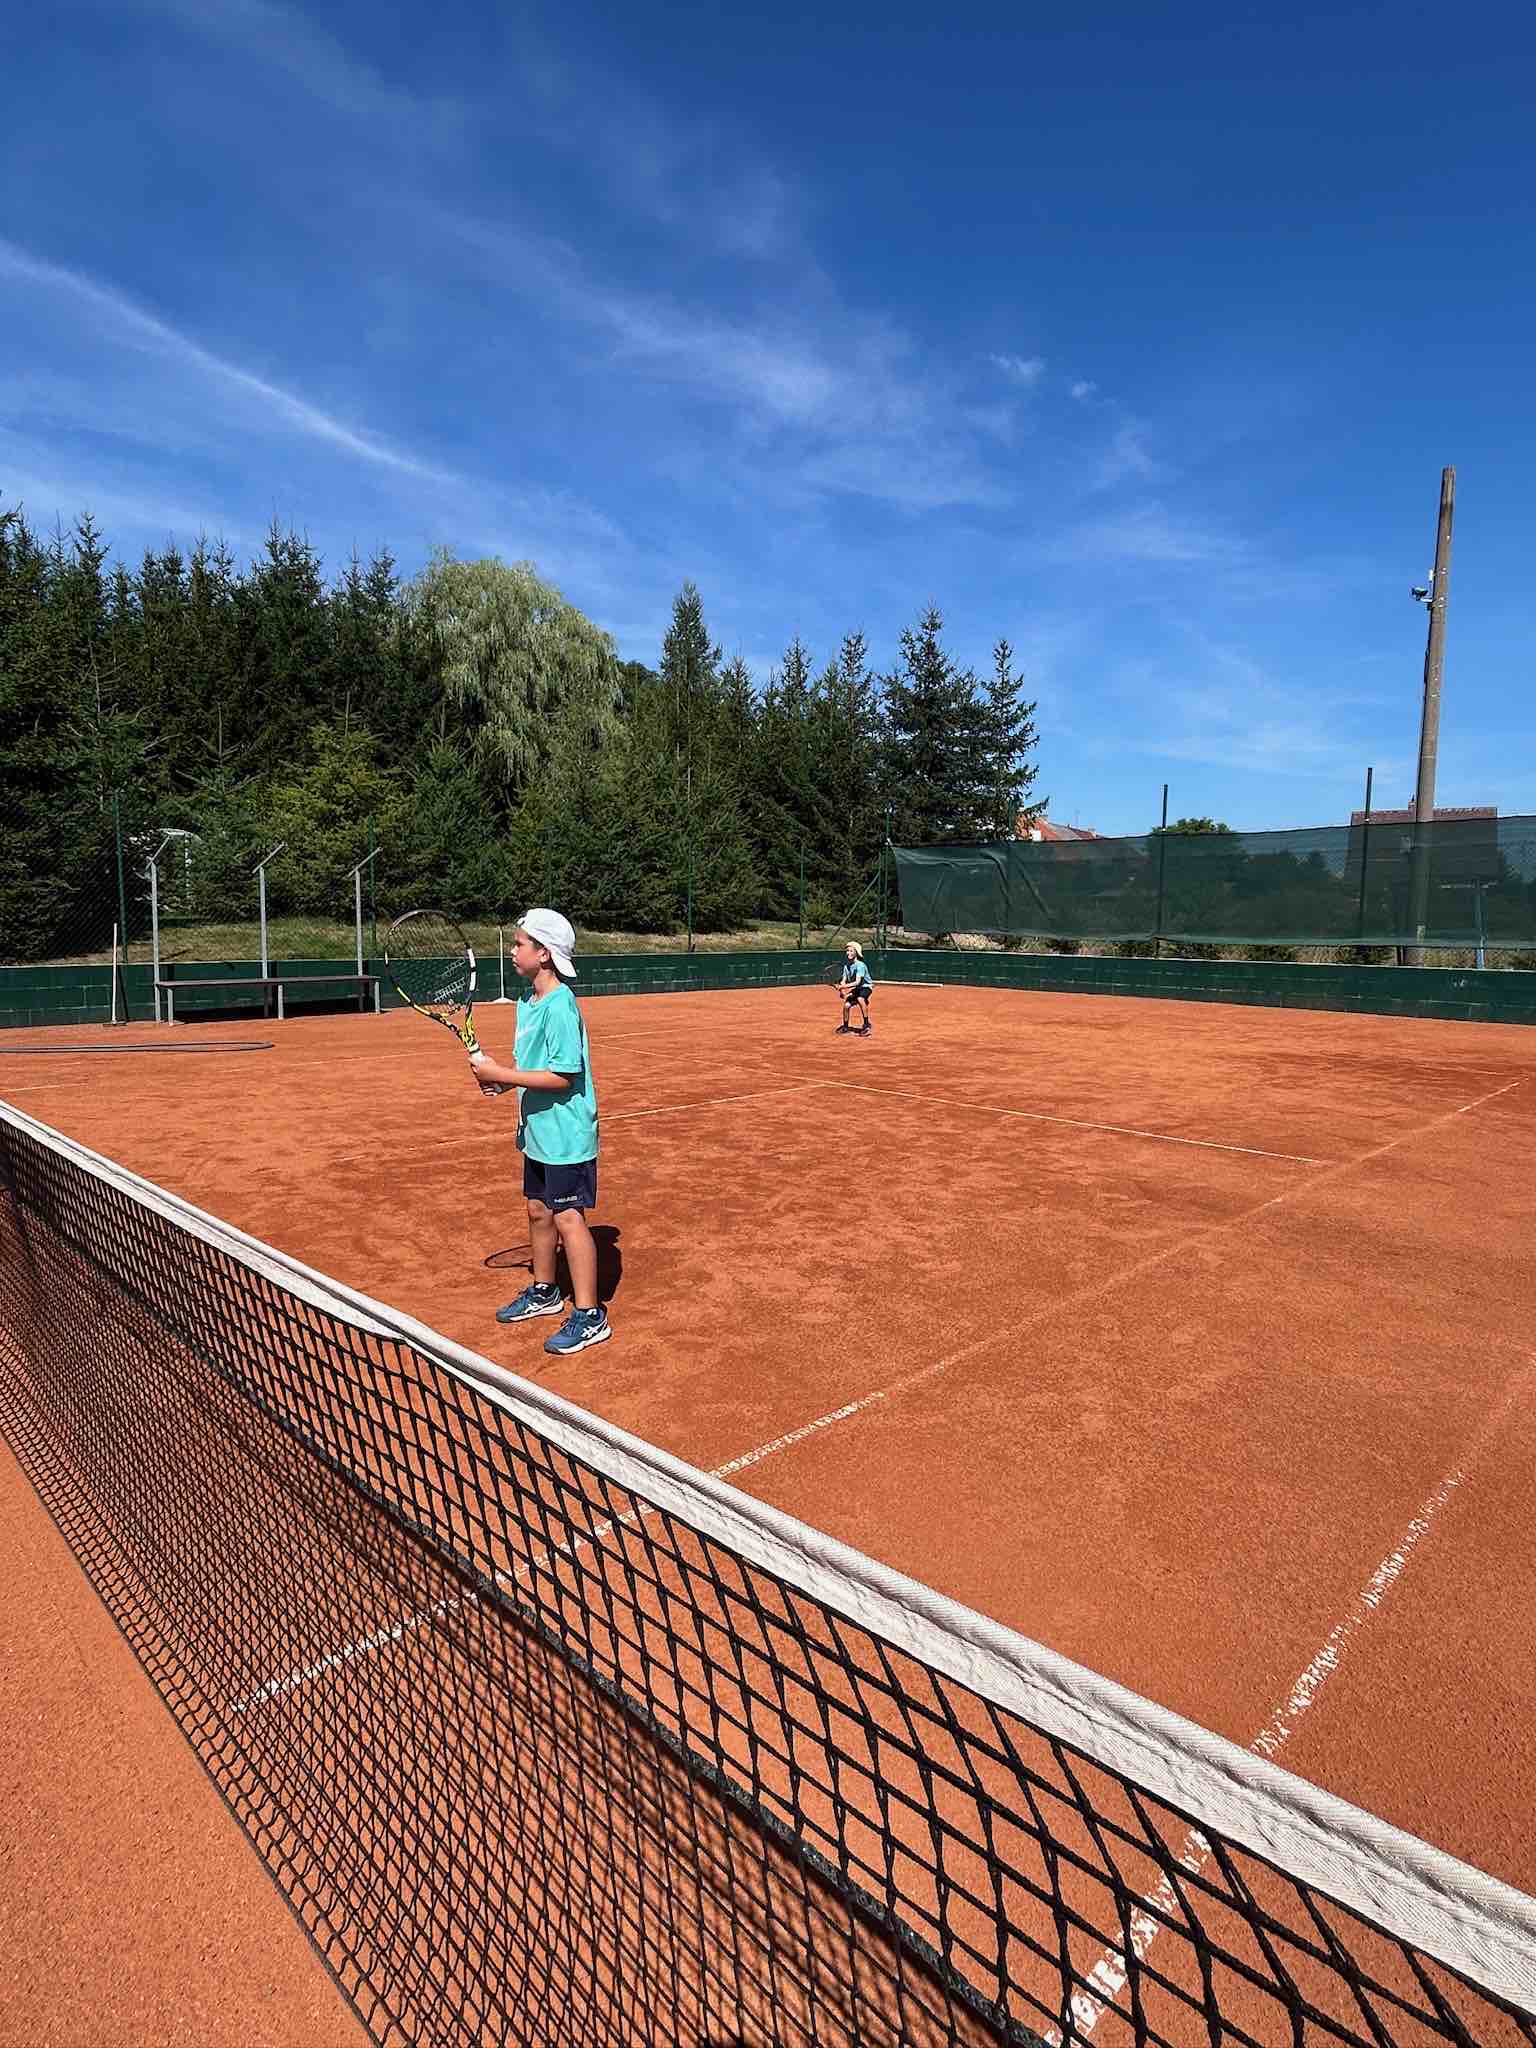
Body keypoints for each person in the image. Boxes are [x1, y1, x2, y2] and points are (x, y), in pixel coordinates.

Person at [469, 908, 610, 1356]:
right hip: (538, 1131)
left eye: (520, 944)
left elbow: (563, 1076)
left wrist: (503, 1075)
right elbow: (532, 1068)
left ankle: (589, 1315)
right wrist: (503, 1082)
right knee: (538, 1210)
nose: (513, 951)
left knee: (568, 1218)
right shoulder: (528, 1003)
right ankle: (545, 1290)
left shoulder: (560, 1006)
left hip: (566, 1134)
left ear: (544, 954)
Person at [836, 942, 874, 1036]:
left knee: (860, 998)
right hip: (857, 989)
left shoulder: (860, 965)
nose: (848, 953)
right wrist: (842, 991)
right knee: (846, 1005)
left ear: (856, 953)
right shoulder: (846, 966)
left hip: (866, 987)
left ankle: (866, 1025)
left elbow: (857, 982)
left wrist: (843, 987)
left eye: (851, 951)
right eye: (847, 951)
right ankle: (845, 1027)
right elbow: (843, 981)